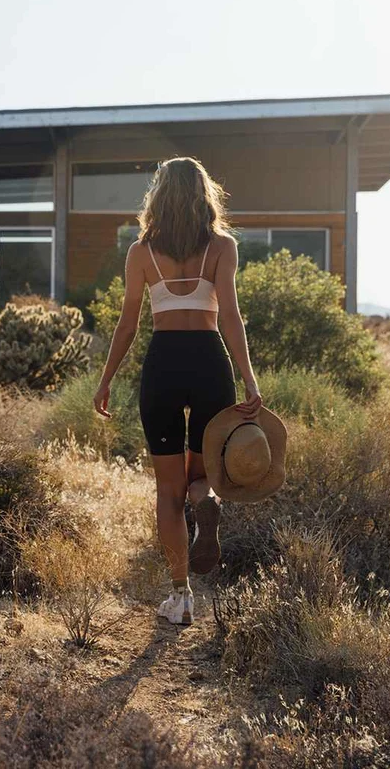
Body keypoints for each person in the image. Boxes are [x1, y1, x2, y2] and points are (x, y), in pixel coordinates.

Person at [93, 157, 261, 626]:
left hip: (164, 362)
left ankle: (180, 595)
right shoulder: (222, 247)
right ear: (205, 194)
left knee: (167, 491)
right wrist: (249, 379)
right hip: (209, 362)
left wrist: (106, 379)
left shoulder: (141, 253)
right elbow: (230, 315)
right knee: (197, 476)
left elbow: (128, 324)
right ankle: (205, 501)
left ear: (158, 195)